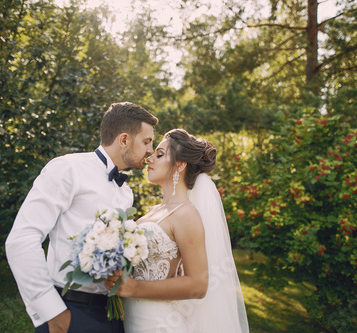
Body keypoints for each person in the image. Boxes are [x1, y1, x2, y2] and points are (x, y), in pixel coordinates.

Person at [5, 102, 158, 333]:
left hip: (114, 315)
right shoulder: (67, 169)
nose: (150, 150)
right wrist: (54, 314)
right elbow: (22, 239)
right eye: (147, 141)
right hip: (70, 312)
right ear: (124, 140)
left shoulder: (126, 193)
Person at [105, 129, 249, 332]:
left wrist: (134, 287)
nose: (149, 159)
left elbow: (198, 285)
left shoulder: (186, 214)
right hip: (129, 319)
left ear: (181, 165)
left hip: (158, 324)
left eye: (160, 154)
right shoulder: (154, 212)